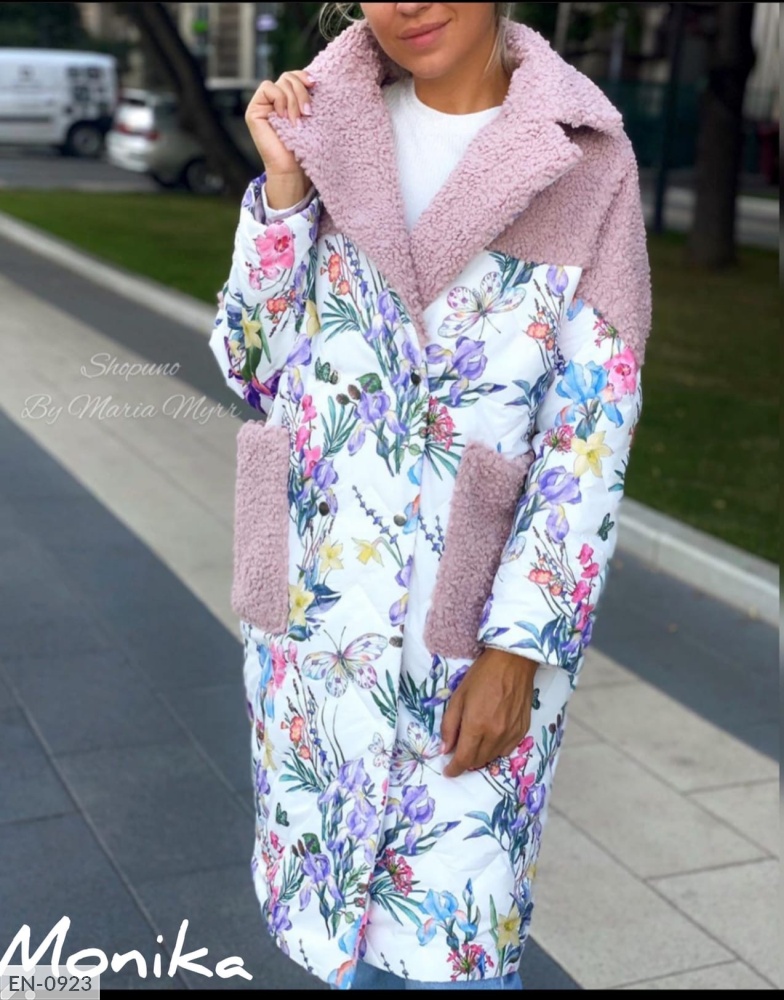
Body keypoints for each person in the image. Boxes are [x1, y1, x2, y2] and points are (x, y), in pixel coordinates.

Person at [208, 2, 651, 991]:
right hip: (320, 624)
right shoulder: (324, 129)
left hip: (468, 638)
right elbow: (249, 364)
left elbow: (589, 433)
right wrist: (283, 195)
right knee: (339, 944)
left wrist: (518, 650)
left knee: (453, 951)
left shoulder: (585, 161)